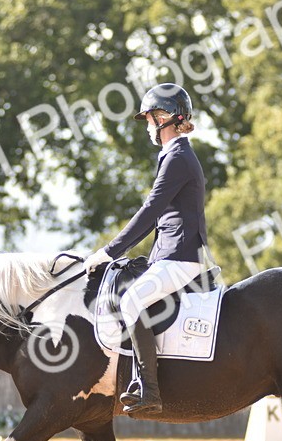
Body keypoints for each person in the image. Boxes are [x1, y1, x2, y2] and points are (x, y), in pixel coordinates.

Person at [83, 84, 208, 415]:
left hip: (180, 256)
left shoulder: (178, 157)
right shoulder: (174, 155)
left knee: (132, 300)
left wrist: (109, 252)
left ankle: (149, 391)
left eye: (150, 119)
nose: (148, 126)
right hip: (169, 255)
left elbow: (151, 210)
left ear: (165, 118)